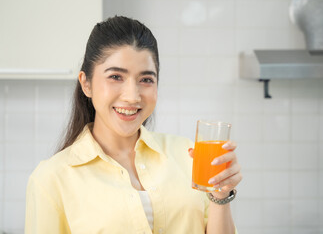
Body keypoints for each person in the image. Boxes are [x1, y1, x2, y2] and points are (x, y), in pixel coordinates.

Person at [25, 16, 242, 234]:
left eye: (146, 79)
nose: (132, 96)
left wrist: (220, 196)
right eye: (116, 77)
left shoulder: (187, 155)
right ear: (86, 84)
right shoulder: (51, 178)